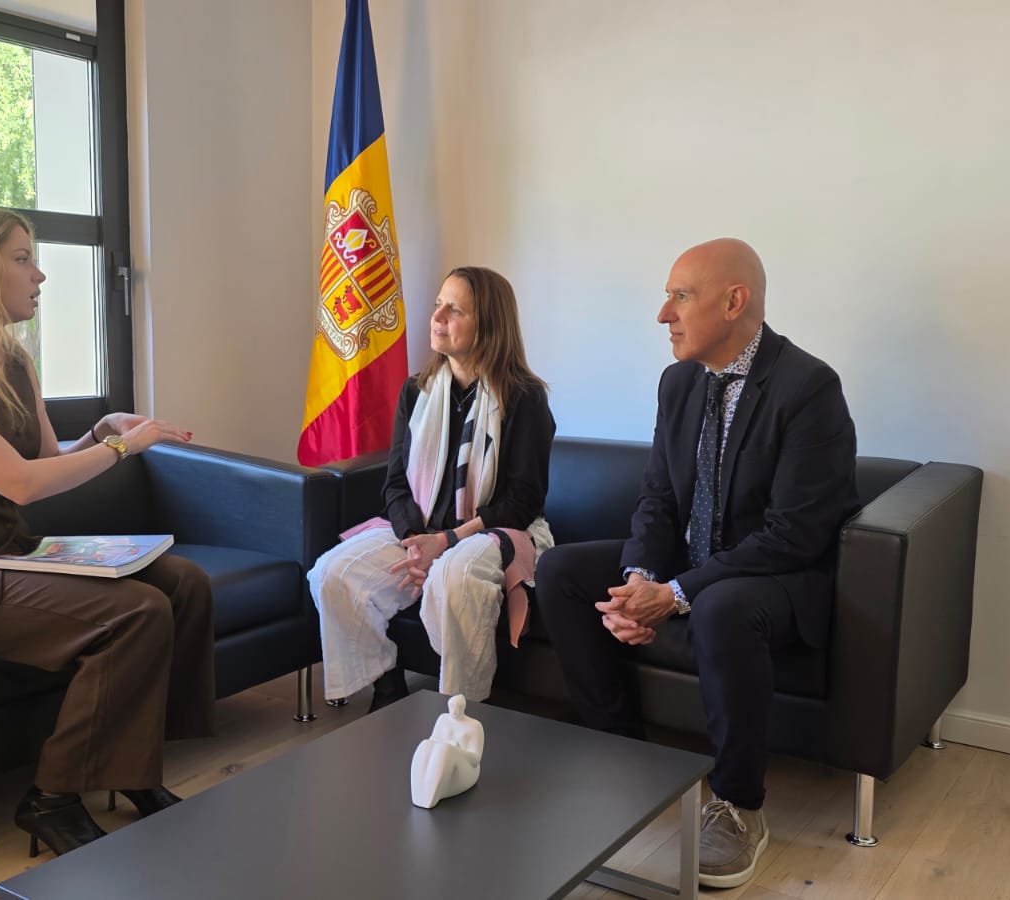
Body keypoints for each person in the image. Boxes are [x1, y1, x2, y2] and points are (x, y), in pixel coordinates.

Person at [0, 204, 215, 858]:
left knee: (184, 583)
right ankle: (52, 798)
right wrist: (124, 451)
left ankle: (133, 769)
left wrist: (100, 432)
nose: (40, 274)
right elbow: (21, 485)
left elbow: (47, 461)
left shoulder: (11, 360)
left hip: (11, 553)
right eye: (22, 258)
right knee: (138, 613)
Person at [534, 239, 858, 889]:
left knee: (721, 606)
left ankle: (740, 806)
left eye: (680, 295)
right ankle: (622, 756)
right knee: (561, 571)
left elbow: (793, 535)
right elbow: (657, 498)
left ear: (734, 301)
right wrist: (638, 581)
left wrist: (675, 591)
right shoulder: (678, 382)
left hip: (781, 578)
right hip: (695, 560)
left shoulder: (809, 387)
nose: (663, 314)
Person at [310, 266, 555, 711]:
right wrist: (413, 541)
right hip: (422, 528)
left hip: (489, 532)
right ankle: (387, 688)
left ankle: (463, 706)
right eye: (439, 304)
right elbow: (396, 484)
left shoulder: (525, 397)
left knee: (454, 575)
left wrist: (445, 543)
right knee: (333, 574)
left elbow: (522, 503)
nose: (436, 315)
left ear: (489, 326)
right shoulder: (417, 391)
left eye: (454, 309)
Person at [409, 694, 484, 808]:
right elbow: (432, 739)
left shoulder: (474, 726)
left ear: (463, 707)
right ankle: (420, 793)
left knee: (445, 749)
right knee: (425, 744)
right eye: (452, 707)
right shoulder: (443, 719)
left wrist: (456, 750)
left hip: (466, 769)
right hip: (443, 762)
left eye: (458, 707)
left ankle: (430, 796)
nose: (454, 711)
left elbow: (476, 759)